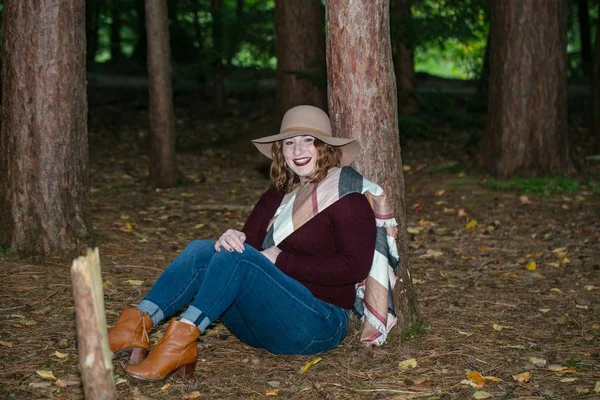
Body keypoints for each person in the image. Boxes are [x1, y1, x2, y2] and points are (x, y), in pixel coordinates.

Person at [107, 105, 398, 382]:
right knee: (203, 249)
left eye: (308, 141)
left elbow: (355, 267)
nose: (298, 150)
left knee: (238, 257)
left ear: (325, 148)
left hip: (317, 323)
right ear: (280, 151)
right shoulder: (277, 195)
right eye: (289, 143)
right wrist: (232, 237)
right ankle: (138, 323)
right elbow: (248, 249)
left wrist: (281, 260)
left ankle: (181, 340)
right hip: (260, 324)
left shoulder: (347, 198)